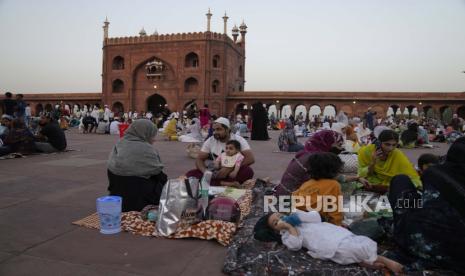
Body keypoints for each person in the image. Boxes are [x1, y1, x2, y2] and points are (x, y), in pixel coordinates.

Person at [387, 137, 465, 273]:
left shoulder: (434, 172)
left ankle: (405, 222)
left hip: (413, 240)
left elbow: (425, 201)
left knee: (400, 181)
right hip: (458, 257)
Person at [253, 210, 403, 274]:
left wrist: (298, 216)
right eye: (275, 222)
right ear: (274, 230)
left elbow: (316, 217)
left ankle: (380, 259)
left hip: (332, 233)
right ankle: (365, 260)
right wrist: (288, 226)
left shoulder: (297, 216)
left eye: (279, 216)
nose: (280, 219)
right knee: (343, 254)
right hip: (325, 244)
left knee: (355, 243)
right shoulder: (286, 235)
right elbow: (295, 245)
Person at [107, 119, 167, 212]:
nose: (154, 139)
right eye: (152, 135)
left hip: (117, 196)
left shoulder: (120, 143)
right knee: (162, 182)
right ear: (145, 133)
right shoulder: (146, 149)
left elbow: (111, 170)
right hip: (140, 201)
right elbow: (159, 174)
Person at [186, 117, 255, 186]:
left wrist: (229, 168)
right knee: (191, 174)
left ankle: (215, 183)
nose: (215, 132)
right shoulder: (210, 141)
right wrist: (205, 172)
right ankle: (226, 183)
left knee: (248, 171)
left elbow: (250, 159)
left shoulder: (238, 139)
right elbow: (199, 159)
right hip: (216, 172)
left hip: (232, 172)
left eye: (219, 129)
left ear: (227, 129)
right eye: (214, 130)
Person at [274, 130, 344, 196]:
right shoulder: (315, 159)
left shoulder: (307, 153)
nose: (341, 148)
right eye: (339, 145)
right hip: (290, 199)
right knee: (333, 185)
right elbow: (327, 178)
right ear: (327, 143)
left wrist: (353, 178)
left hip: (286, 194)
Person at [358, 129, 420, 194]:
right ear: (379, 143)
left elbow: (412, 176)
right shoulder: (365, 152)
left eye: (394, 145)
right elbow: (361, 174)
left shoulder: (396, 153)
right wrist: (373, 162)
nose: (391, 148)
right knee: (360, 182)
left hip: (390, 181)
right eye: (387, 144)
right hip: (373, 179)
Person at [292, 152, 344, 225]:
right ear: (333, 170)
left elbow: (295, 197)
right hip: (316, 222)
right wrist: (338, 226)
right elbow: (336, 213)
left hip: (298, 219)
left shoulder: (307, 183)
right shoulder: (334, 185)